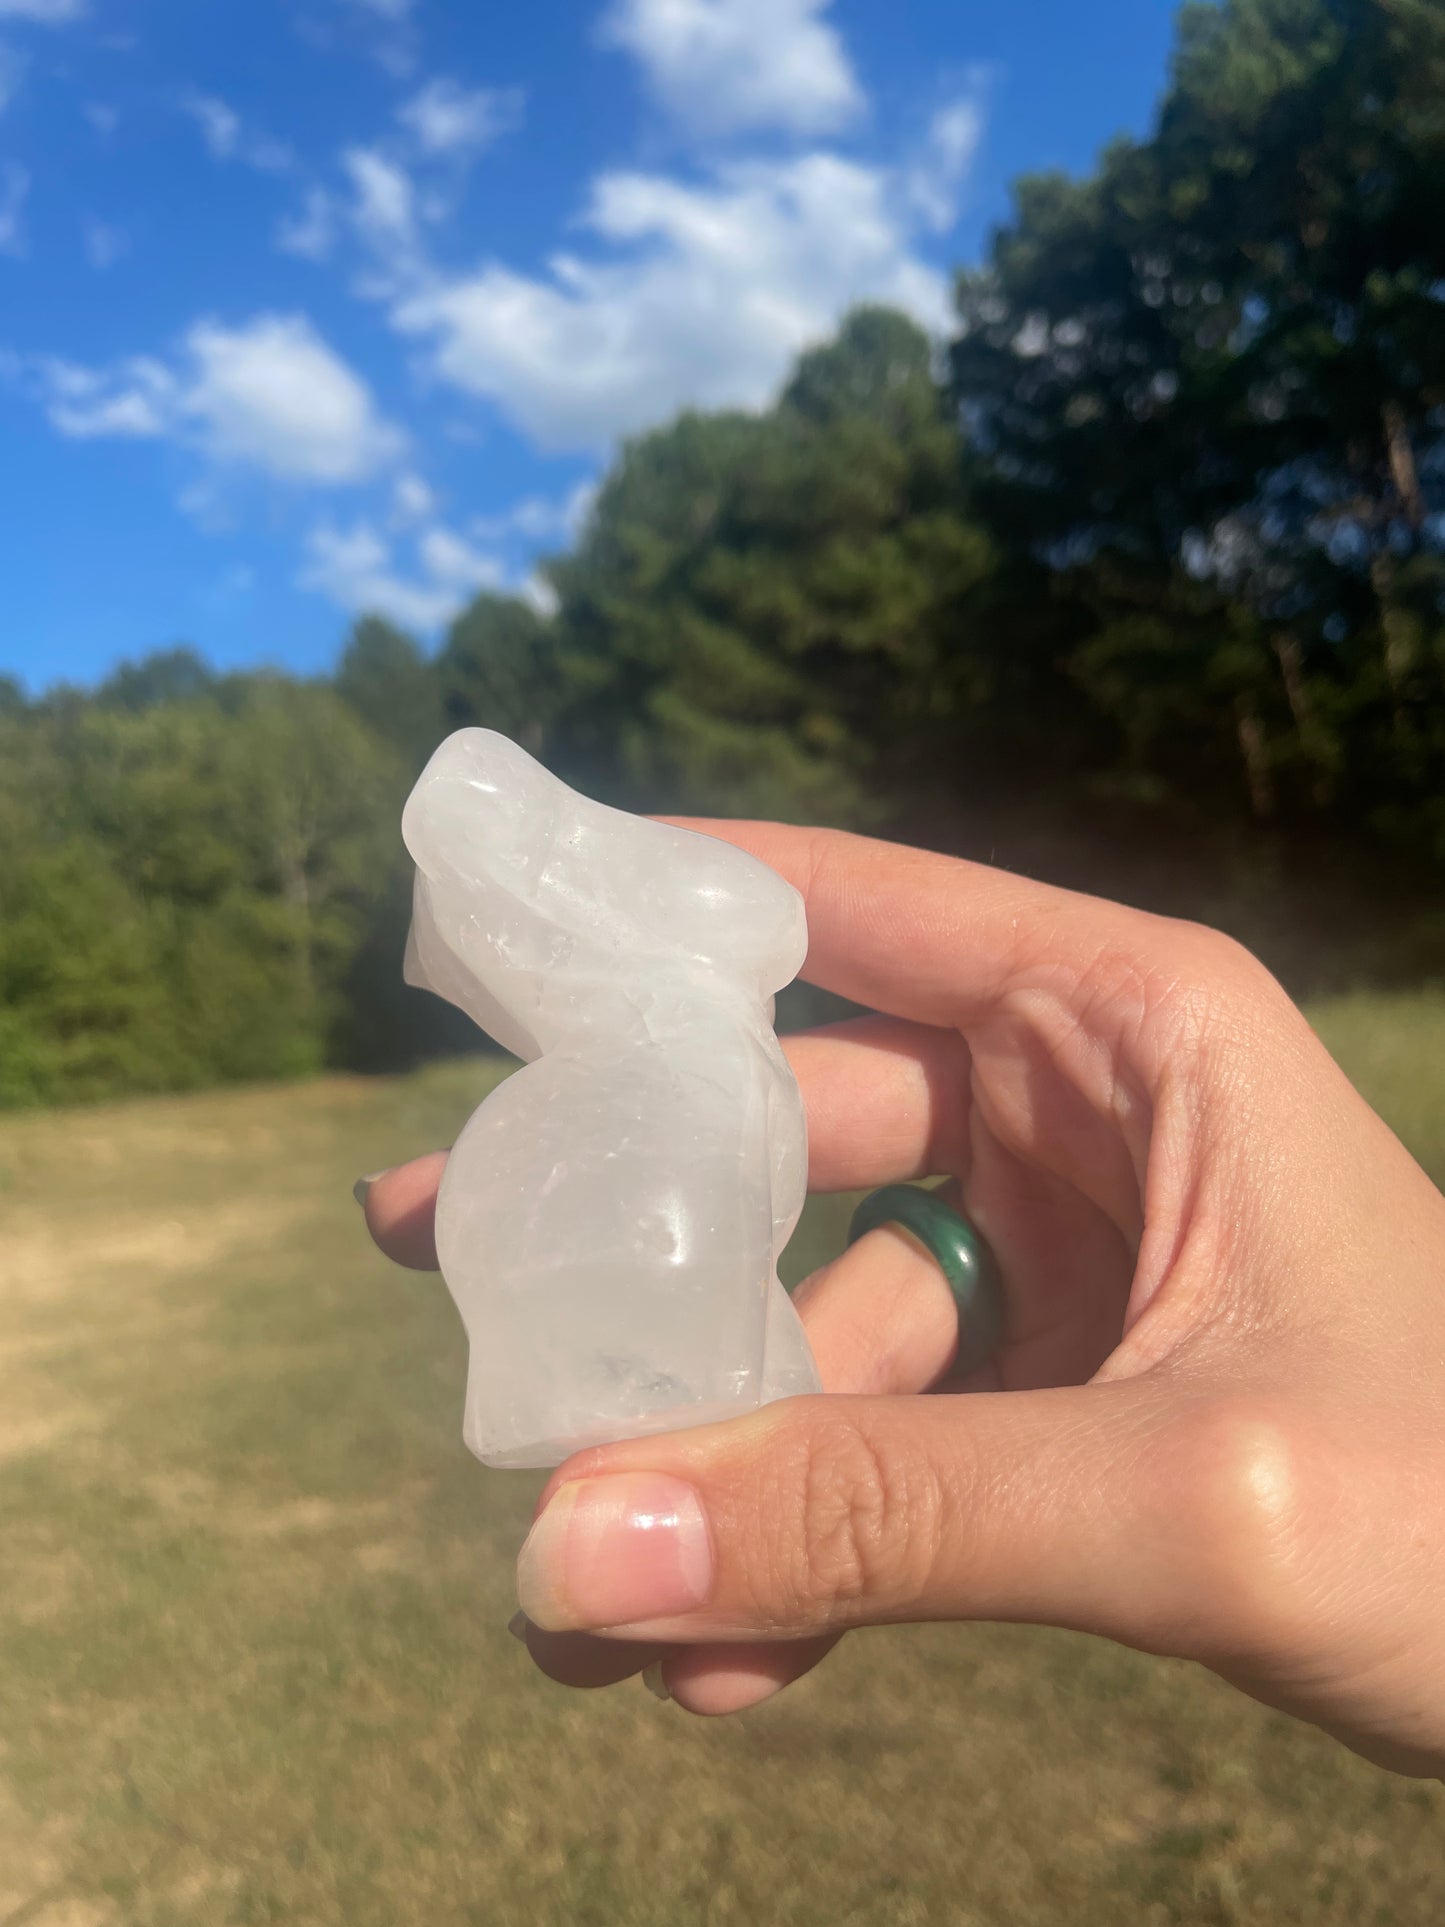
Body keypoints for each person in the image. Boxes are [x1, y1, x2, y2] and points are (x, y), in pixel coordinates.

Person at [359, 820, 1445, 1780]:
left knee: (705, 1265)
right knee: (684, 1252)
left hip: (637, 1284)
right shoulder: (665, 1059)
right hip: (612, 1277)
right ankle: (665, 1372)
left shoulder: (692, 1053)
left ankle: (682, 1372)